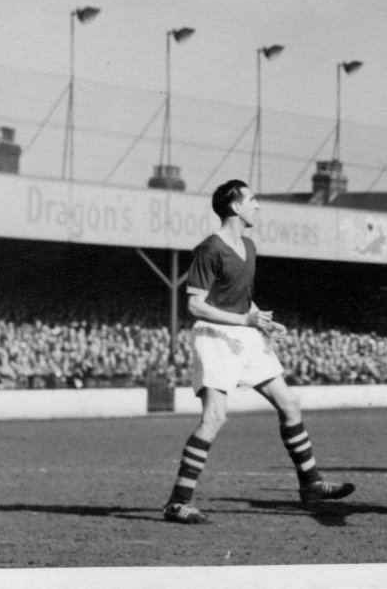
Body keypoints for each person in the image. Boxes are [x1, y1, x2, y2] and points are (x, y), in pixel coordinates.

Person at [162, 180, 354, 524]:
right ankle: (178, 502)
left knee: (290, 404)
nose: (257, 206)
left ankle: (310, 484)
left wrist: (261, 320)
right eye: (251, 200)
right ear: (235, 207)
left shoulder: (249, 246)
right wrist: (244, 320)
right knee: (214, 417)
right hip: (216, 337)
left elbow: (240, 296)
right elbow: (195, 305)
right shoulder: (209, 249)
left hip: (245, 333)